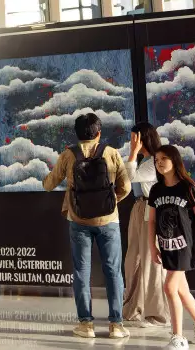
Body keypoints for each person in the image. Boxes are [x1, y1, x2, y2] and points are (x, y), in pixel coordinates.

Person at [43, 113, 131, 340]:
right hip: (109, 221)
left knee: (81, 272)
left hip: (78, 221)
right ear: (98, 133)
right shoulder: (111, 153)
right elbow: (126, 187)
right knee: (113, 271)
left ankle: (86, 325)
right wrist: (110, 202)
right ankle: (116, 325)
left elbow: (49, 184)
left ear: (77, 133)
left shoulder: (68, 155)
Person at [149, 145, 195, 350]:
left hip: (185, 246)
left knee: (169, 287)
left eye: (163, 158)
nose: (159, 163)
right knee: (181, 290)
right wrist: (153, 246)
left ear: (174, 160)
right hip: (167, 246)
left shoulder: (188, 187)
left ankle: (178, 337)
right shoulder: (156, 189)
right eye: (156, 160)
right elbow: (152, 221)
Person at [123, 122, 169, 327]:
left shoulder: (155, 161)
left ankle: (157, 315)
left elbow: (129, 177)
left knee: (151, 261)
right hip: (139, 207)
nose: (131, 142)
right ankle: (133, 308)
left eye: (134, 138)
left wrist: (133, 153)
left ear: (143, 139)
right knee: (133, 259)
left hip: (152, 208)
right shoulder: (146, 160)